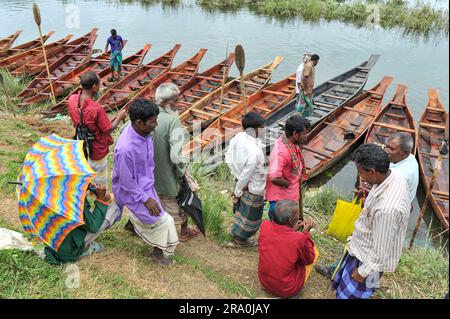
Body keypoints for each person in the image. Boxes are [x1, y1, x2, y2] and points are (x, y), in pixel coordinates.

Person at [325, 144, 411, 299]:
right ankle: (368, 291)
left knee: (353, 293)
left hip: (367, 259)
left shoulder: (387, 210)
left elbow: (380, 253)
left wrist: (362, 272)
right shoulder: (395, 175)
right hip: (363, 247)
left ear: (372, 172)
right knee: (367, 288)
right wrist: (369, 191)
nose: (361, 177)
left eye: (361, 172)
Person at [112, 98, 179, 266]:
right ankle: (158, 252)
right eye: (152, 122)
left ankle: (131, 226)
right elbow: (126, 181)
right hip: (133, 190)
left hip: (146, 183)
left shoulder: (144, 132)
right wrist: (144, 198)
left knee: (154, 210)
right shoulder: (125, 149)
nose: (156, 125)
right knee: (163, 221)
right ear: (139, 123)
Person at [150, 83, 200, 242]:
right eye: (176, 101)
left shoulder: (146, 113)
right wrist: (181, 173)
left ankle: (134, 224)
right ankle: (184, 231)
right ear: (167, 103)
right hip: (165, 175)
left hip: (148, 172)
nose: (178, 105)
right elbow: (176, 157)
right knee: (189, 190)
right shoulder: (172, 121)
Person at [68, 71, 127, 186]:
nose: (100, 86)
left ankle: (87, 189)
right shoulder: (96, 109)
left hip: (80, 145)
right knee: (100, 182)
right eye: (99, 84)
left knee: (85, 172)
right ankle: (99, 197)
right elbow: (108, 129)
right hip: (96, 149)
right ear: (94, 87)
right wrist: (119, 117)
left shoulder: (72, 99)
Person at [44, 184, 121, 265]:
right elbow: (93, 227)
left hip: (52, 243)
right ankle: (84, 248)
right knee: (114, 209)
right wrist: (101, 201)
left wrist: (85, 189)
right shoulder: (72, 195)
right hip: (68, 251)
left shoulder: (50, 190)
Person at [258, 200, 318, 298]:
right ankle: (294, 294)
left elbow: (280, 238)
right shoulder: (299, 238)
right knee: (313, 252)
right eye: (297, 216)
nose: (299, 217)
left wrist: (292, 229)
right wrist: (306, 232)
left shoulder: (265, 225)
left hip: (265, 282)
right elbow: (309, 259)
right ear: (290, 221)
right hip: (286, 290)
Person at [225, 112, 266, 247]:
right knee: (250, 215)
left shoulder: (239, 137)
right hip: (252, 185)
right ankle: (240, 239)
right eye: (262, 127)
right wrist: (238, 189)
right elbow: (247, 174)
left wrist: (236, 174)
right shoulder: (254, 151)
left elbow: (228, 158)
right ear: (253, 129)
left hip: (240, 180)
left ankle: (238, 235)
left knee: (241, 209)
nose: (264, 129)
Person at [266, 114, 310, 221]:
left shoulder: (289, 140)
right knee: (280, 227)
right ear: (295, 133)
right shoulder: (282, 153)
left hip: (290, 195)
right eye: (304, 134)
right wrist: (287, 184)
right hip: (281, 200)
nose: (306, 137)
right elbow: (274, 177)